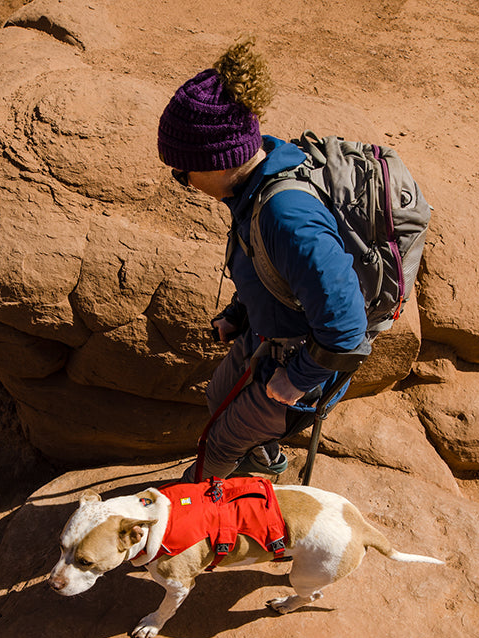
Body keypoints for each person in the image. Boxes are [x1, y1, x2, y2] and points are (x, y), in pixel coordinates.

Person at [158, 39, 368, 482]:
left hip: (303, 361)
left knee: (219, 443)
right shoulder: (253, 184)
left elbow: (348, 327)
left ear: (215, 162)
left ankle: (205, 519)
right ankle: (264, 461)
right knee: (218, 397)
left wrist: (296, 379)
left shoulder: (286, 215)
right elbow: (270, 270)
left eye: (183, 172)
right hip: (265, 336)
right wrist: (238, 313)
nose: (184, 182)